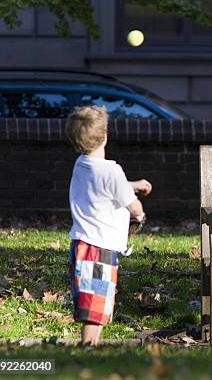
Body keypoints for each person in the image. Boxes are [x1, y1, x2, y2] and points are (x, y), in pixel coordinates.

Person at [65, 106, 152, 346]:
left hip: (81, 244)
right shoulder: (112, 171)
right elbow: (132, 206)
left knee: (89, 298)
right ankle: (88, 346)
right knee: (97, 302)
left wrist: (132, 184)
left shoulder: (81, 164)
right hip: (99, 248)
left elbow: (103, 185)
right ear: (104, 136)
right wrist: (140, 213)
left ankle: (89, 344)